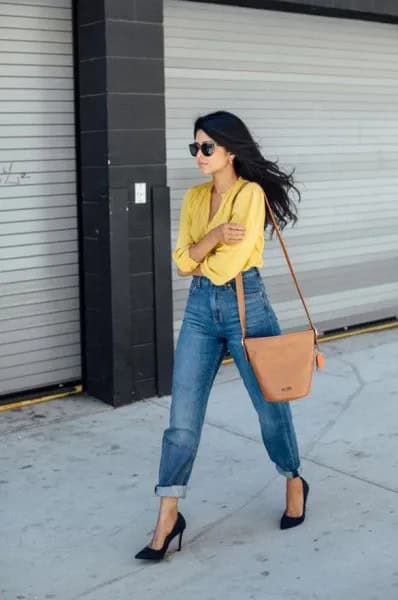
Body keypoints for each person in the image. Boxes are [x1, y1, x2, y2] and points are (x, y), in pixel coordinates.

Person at [135, 111, 309, 561]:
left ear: (230, 150)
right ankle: (168, 514)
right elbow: (180, 261)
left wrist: (199, 252)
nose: (199, 155)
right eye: (194, 147)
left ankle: (293, 477)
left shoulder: (250, 194)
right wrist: (213, 237)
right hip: (198, 310)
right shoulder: (194, 197)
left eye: (207, 147)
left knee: (270, 409)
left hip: (245, 305)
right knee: (181, 419)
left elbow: (226, 265)